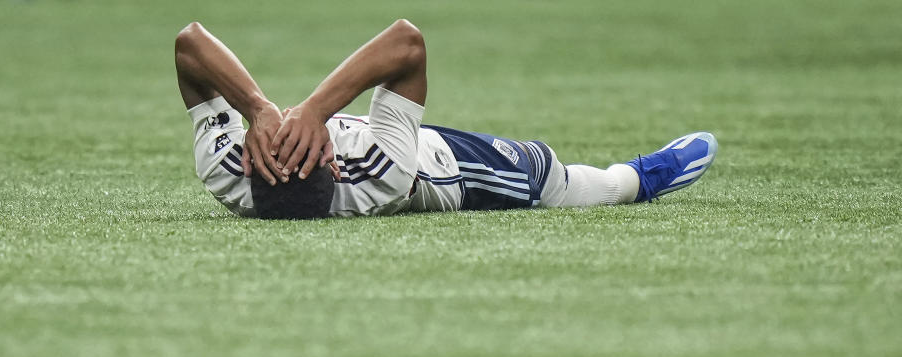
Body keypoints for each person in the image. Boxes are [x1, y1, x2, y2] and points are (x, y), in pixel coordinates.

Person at [174, 19, 717, 219]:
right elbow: (407, 43)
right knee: (563, 184)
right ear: (335, 167)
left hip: (383, 132)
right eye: (302, 143)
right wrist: (316, 111)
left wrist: (258, 110)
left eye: (274, 143)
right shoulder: (380, 173)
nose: (284, 134)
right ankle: (642, 177)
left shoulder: (226, 172)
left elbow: (189, 43)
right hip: (446, 170)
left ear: (250, 163)